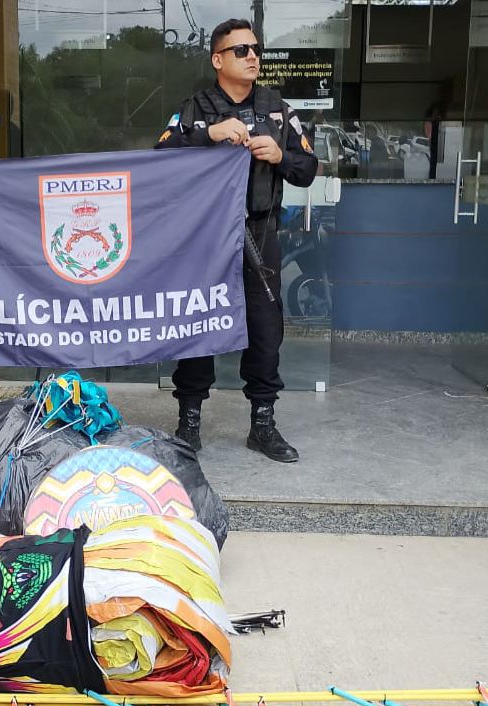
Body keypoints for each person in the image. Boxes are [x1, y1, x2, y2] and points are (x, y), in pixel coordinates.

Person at [156, 18, 317, 461]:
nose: (252, 57)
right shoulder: (196, 108)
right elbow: (160, 155)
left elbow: (307, 169)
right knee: (198, 324)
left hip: (260, 232)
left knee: (265, 329)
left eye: (256, 49)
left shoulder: (277, 109)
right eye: (241, 50)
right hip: (205, 237)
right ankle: (188, 421)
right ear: (217, 59)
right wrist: (208, 135)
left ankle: (262, 423)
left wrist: (280, 155)